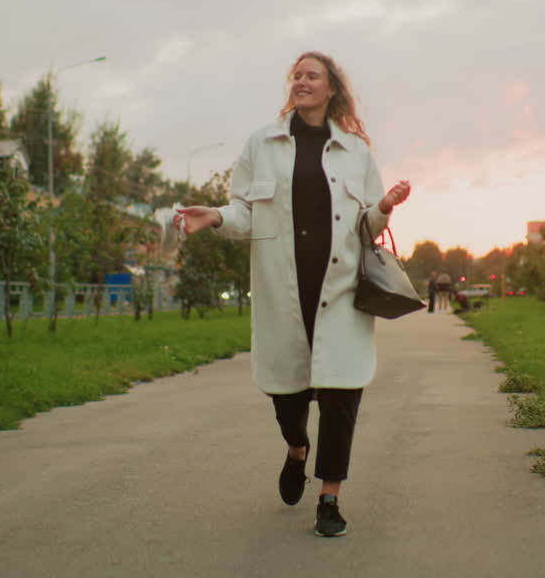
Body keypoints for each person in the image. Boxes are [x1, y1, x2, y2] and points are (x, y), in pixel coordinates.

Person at [176, 51, 412, 538]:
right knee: (287, 393)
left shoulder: (356, 152)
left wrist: (384, 207)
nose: (302, 82)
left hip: (340, 289)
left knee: (342, 393)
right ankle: (296, 448)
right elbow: (244, 211)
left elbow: (366, 226)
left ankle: (329, 496)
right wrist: (216, 216)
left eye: (312, 76)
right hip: (282, 291)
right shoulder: (261, 144)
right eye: (297, 76)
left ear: (331, 90)